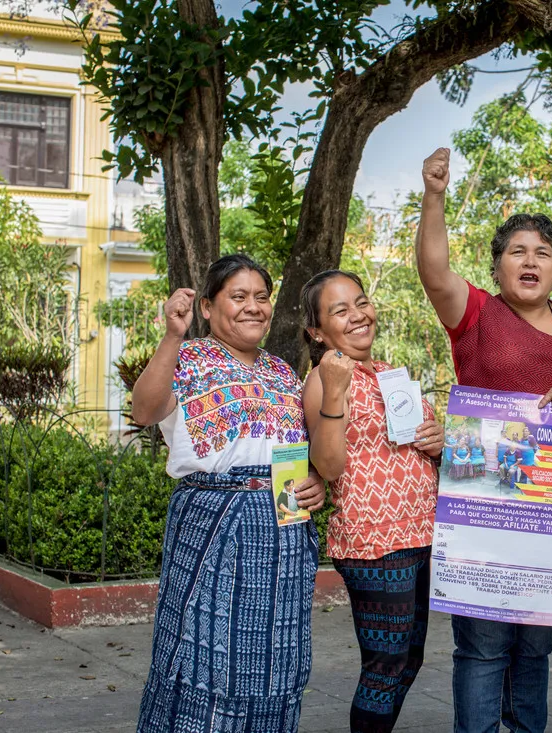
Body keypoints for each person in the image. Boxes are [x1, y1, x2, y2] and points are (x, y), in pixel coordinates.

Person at [417, 147, 552, 733]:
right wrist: (434, 195)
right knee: (482, 646)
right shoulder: (475, 313)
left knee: (534, 647)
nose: (530, 261)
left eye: (543, 254)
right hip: (483, 503)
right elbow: (432, 268)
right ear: (497, 267)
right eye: (517, 252)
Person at [131, 254, 325, 733]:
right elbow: (144, 410)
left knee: (277, 655)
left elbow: (294, 449)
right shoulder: (190, 358)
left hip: (283, 521)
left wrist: (315, 480)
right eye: (238, 297)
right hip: (215, 514)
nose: (253, 307)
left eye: (261, 297)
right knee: (206, 649)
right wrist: (173, 336)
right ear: (207, 307)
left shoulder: (282, 372)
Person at [300, 269, 446, 733]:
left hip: (422, 531)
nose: (358, 315)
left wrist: (439, 440)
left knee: (410, 658)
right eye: (340, 310)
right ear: (317, 332)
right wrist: (337, 389)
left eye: (361, 302)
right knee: (385, 664)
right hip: (374, 541)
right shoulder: (323, 379)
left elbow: (421, 446)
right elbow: (327, 465)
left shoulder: (389, 374)